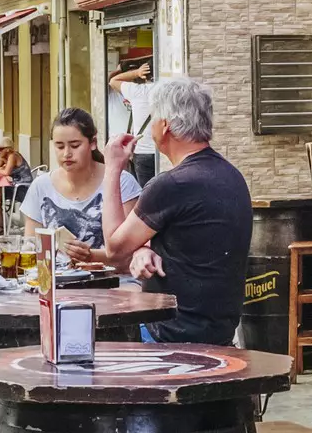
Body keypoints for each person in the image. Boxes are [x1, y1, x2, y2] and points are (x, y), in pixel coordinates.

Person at [99, 77, 253, 345]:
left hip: (170, 332)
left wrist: (113, 168)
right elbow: (190, 241)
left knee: (91, 331)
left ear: (165, 125)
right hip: (219, 330)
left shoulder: (172, 184)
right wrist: (144, 247)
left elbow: (113, 249)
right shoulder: (232, 176)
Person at [23, 108, 141, 254]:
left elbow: (131, 249)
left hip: (112, 275)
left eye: (75, 145)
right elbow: (31, 245)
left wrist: (91, 257)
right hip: (56, 274)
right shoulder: (40, 186)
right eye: (59, 146)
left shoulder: (122, 181)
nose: (67, 153)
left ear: (93, 143)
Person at [108, 61, 159, 185]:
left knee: (144, 193)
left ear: (143, 75)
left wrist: (137, 73)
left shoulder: (136, 91)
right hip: (162, 151)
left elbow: (113, 81)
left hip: (142, 152)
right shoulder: (165, 90)